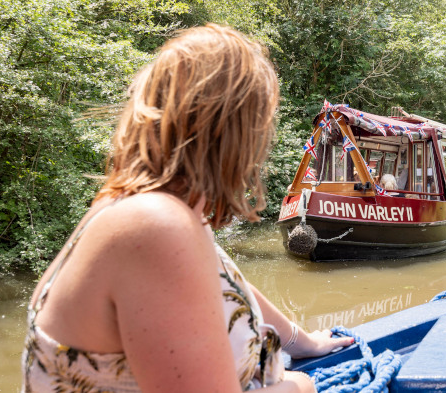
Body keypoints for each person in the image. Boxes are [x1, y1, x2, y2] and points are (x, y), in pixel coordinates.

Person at [21, 24, 352, 393]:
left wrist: (300, 341)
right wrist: (298, 386)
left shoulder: (134, 206)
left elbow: (226, 280)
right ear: (236, 132)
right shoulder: (155, 226)